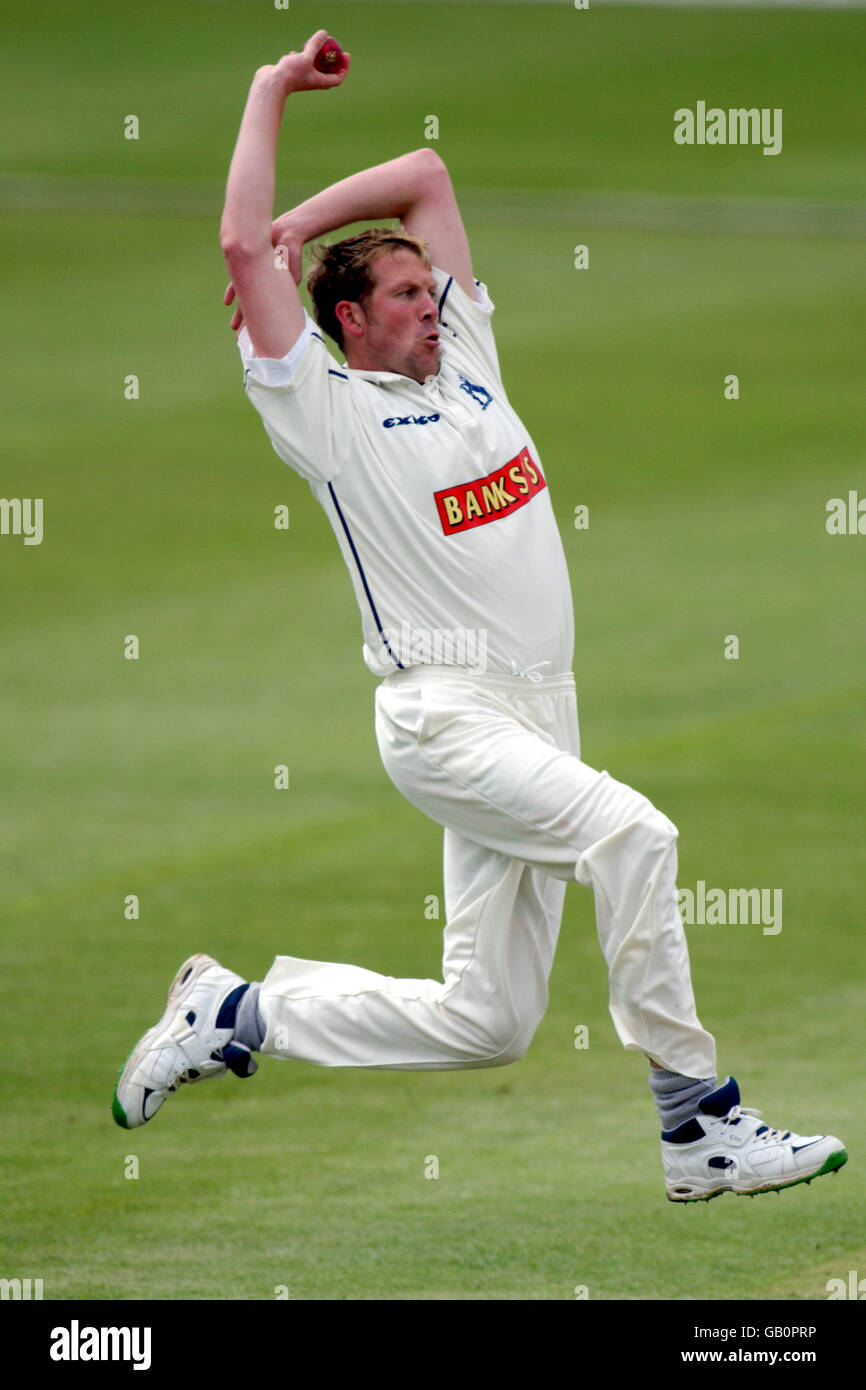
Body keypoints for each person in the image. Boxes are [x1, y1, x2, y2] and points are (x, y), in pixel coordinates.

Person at [113, 32, 847, 1203]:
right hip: (443, 715)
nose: (431, 306)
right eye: (405, 296)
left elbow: (425, 176)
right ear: (347, 322)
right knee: (635, 837)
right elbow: (238, 244)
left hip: (539, 711)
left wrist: (310, 222)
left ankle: (236, 1008)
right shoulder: (323, 405)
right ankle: (697, 1127)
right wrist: (269, 94)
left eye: (429, 288)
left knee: (488, 1020)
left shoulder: (471, 367)